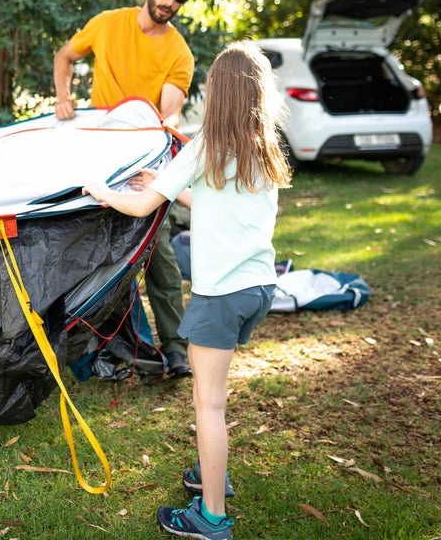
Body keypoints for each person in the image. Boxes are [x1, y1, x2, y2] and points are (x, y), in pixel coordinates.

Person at [83, 42, 292, 540]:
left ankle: (211, 518)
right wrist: (170, 183)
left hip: (220, 296)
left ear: (218, 92)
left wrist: (100, 191)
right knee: (213, 396)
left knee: (209, 404)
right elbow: (220, 203)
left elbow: (139, 208)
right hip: (259, 288)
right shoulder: (263, 148)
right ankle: (209, 471)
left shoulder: (204, 147)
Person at [52, 0, 203, 377]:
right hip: (99, 157)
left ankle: (175, 350)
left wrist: (159, 130)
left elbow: (169, 113)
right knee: (99, 253)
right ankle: (104, 347)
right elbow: (65, 56)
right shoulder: (108, 24)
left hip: (145, 163)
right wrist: (63, 97)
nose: (170, 2)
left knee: (160, 257)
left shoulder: (178, 52)